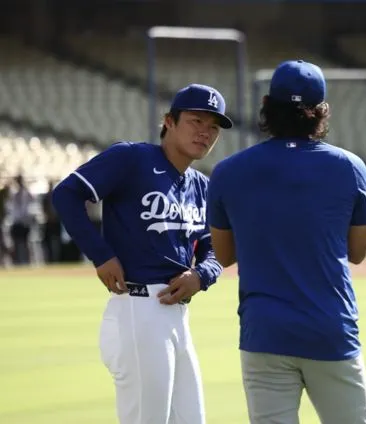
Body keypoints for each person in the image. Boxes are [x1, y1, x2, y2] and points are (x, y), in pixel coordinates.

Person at [52, 84, 232, 424]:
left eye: (213, 127)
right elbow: (67, 195)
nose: (205, 132)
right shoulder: (131, 158)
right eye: (196, 121)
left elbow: (214, 251)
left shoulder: (200, 185)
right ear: (169, 121)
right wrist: (101, 254)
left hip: (177, 318)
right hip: (138, 309)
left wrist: (201, 275)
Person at [206, 60, 366, 424]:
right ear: (321, 112)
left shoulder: (227, 171)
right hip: (330, 329)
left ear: (266, 105)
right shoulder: (350, 167)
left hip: (264, 332)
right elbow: (357, 253)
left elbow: (223, 255)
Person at [6, 174, 35, 265]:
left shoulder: (26, 193)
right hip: (16, 222)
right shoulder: (13, 193)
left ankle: (28, 261)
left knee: (26, 243)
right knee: (16, 243)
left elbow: (32, 200)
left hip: (25, 222)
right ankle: (17, 262)